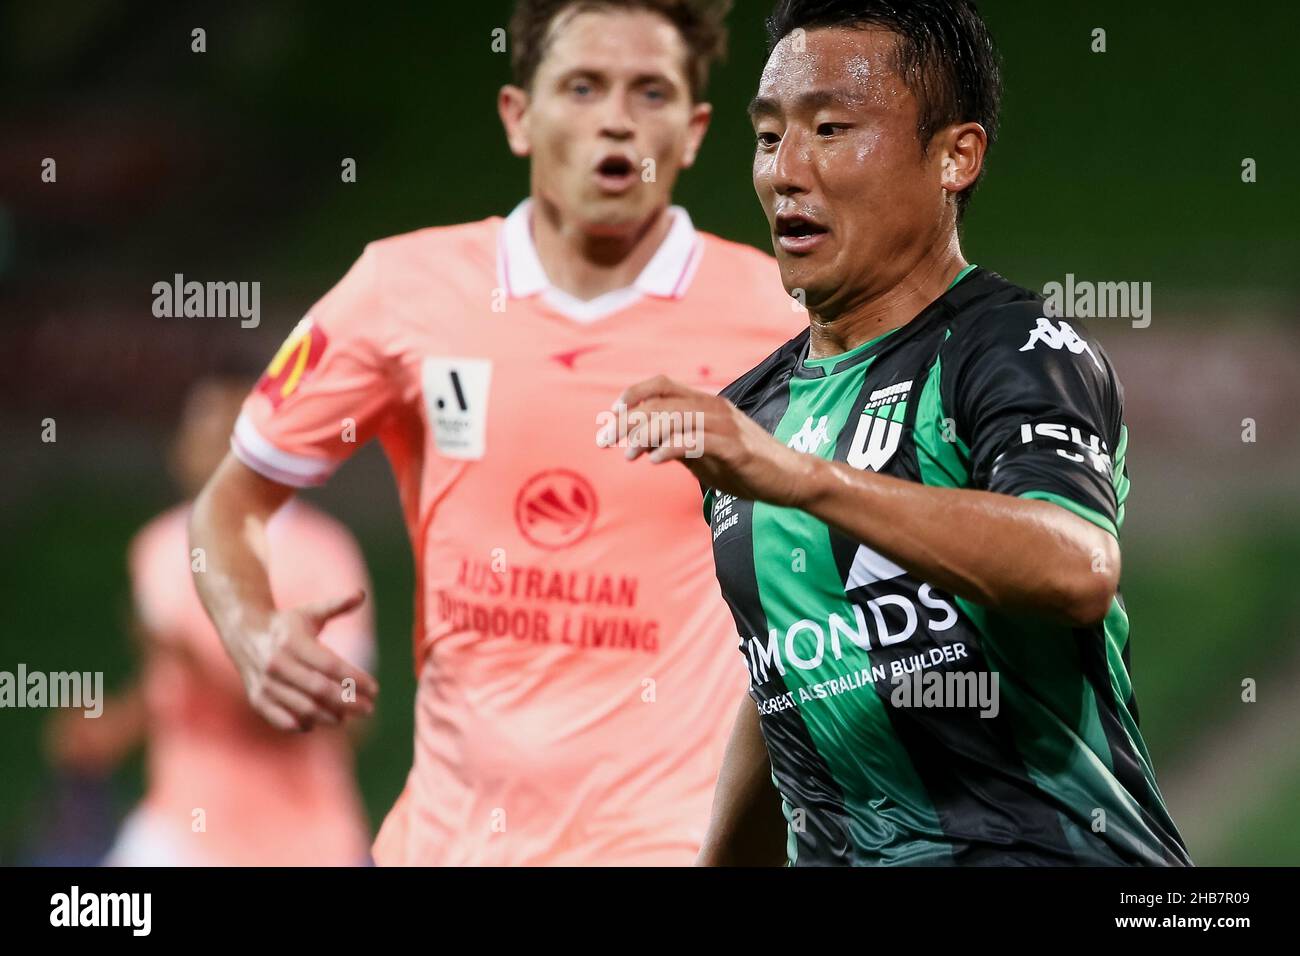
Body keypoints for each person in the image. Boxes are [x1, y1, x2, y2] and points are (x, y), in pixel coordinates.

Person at [189, 0, 799, 865]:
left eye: (651, 92)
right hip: (445, 844)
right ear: (519, 116)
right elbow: (231, 503)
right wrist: (251, 629)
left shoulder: (779, 321)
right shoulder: (399, 288)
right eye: (583, 86)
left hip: (669, 844)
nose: (617, 119)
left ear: (695, 130)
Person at [605, 0, 1191, 866]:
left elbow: (1077, 567)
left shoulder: (1016, 349)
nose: (785, 172)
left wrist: (798, 477)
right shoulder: (754, 411)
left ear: (956, 156)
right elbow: (791, 680)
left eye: (832, 128)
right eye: (770, 138)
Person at [47, 376, 375, 866]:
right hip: (181, 830)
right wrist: (112, 729)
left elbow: (344, 722)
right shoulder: (156, 548)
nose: (209, 450)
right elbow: (167, 687)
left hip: (299, 842)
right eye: (198, 431)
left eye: (227, 434)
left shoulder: (324, 555)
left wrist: (210, 667)